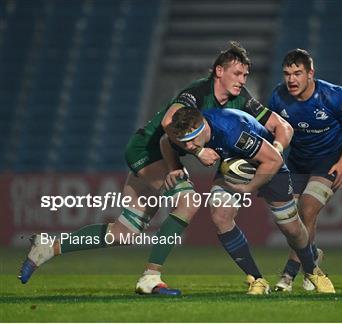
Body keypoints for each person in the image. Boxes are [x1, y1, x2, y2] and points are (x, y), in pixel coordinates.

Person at [19, 41, 292, 296]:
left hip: (162, 155)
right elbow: (168, 125)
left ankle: (48, 247)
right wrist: (196, 151)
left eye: (246, 75)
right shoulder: (196, 93)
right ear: (219, 71)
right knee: (188, 201)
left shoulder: (240, 99)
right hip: (146, 150)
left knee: (124, 232)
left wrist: (276, 150)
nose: (242, 80)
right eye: (237, 73)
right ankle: (150, 276)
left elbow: (280, 126)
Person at [168, 106, 336, 294]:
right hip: (233, 165)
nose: (189, 146)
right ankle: (257, 280)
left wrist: (248, 188)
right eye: (184, 142)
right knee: (220, 215)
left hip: (269, 166)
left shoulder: (232, 132)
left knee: (291, 228)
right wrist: (184, 161)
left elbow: (274, 160)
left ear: (203, 127)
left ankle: (313, 270)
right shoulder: (188, 133)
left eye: (191, 141)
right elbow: (166, 141)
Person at [267, 49, 342, 292]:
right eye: (287, 74)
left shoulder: (335, 96)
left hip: (328, 162)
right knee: (290, 220)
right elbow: (271, 131)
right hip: (298, 163)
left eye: (297, 73)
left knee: (307, 209)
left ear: (311, 74)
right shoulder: (278, 97)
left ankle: (289, 275)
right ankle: (312, 256)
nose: (291, 79)